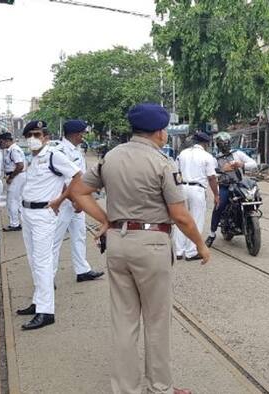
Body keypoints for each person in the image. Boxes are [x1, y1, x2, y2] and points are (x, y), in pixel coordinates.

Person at [66, 102, 209, 394]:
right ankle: (160, 388)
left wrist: (107, 219)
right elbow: (180, 215)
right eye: (166, 129)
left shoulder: (110, 158)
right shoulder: (161, 163)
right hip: (152, 245)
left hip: (118, 244)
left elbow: (78, 191)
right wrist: (200, 245)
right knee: (157, 321)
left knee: (123, 320)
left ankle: (126, 389)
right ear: (159, 132)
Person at [16, 120, 81, 331]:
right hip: (27, 213)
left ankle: (46, 311)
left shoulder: (54, 155)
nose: (33, 139)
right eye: (29, 135)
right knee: (33, 259)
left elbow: (77, 176)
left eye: (37, 134)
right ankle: (38, 301)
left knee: (43, 262)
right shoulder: (34, 159)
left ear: (46, 137)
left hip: (44, 214)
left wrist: (61, 199)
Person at [51, 120, 104, 283]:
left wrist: (81, 199)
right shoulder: (60, 151)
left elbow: (82, 177)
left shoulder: (76, 150)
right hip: (64, 202)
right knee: (55, 240)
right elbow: (62, 179)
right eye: (82, 133)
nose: (84, 136)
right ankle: (48, 277)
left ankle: (82, 270)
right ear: (74, 133)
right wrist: (75, 199)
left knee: (79, 235)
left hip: (77, 201)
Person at [172, 131, 219, 261]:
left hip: (182, 188)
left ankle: (178, 251)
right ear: (206, 143)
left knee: (181, 219)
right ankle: (191, 252)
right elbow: (211, 178)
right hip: (197, 190)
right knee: (196, 220)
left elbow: (176, 172)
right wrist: (216, 194)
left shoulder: (183, 154)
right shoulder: (207, 156)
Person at [205, 132, 257, 247]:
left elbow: (253, 163)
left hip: (240, 185)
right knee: (219, 206)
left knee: (254, 197)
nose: (224, 146)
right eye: (222, 144)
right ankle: (212, 234)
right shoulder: (215, 159)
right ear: (218, 145)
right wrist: (222, 169)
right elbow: (211, 174)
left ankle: (247, 221)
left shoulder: (238, 153)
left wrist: (241, 164)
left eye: (226, 143)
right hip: (225, 186)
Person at [0, 132, 26, 232]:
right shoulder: (10, 150)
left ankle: (15, 224)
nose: (0, 144)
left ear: (6, 140)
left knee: (12, 201)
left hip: (17, 176)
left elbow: (20, 165)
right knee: (18, 200)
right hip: (19, 176)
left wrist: (11, 177)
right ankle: (20, 222)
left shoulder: (13, 150)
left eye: (1, 141)